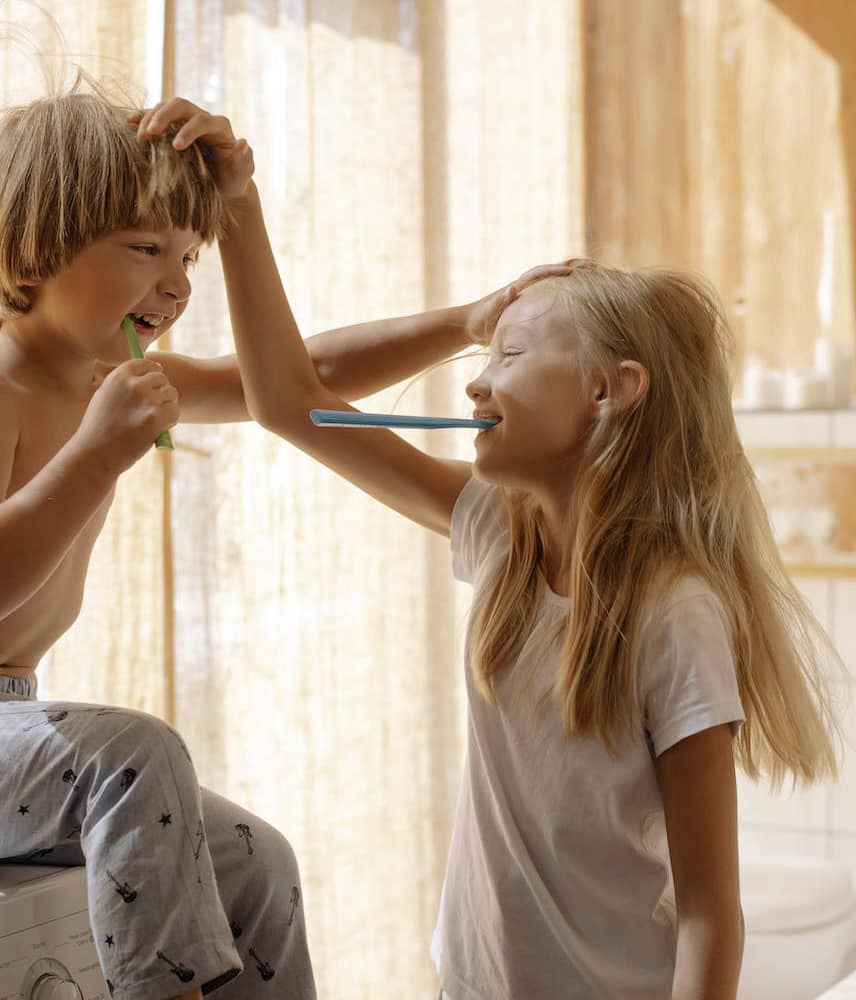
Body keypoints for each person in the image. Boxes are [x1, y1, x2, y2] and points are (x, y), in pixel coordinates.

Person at [151, 101, 846, 999]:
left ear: (607, 390)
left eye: (510, 354)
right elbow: (289, 405)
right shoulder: (500, 535)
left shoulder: (675, 617)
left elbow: (713, 910)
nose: (476, 379)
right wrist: (237, 204)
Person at [0, 75, 511, 1000]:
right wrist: (95, 455)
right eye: (146, 248)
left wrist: (466, 322)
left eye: (190, 254)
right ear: (40, 247)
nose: (176, 283)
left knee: (257, 861)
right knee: (137, 750)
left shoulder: (113, 378)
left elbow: (299, 374)